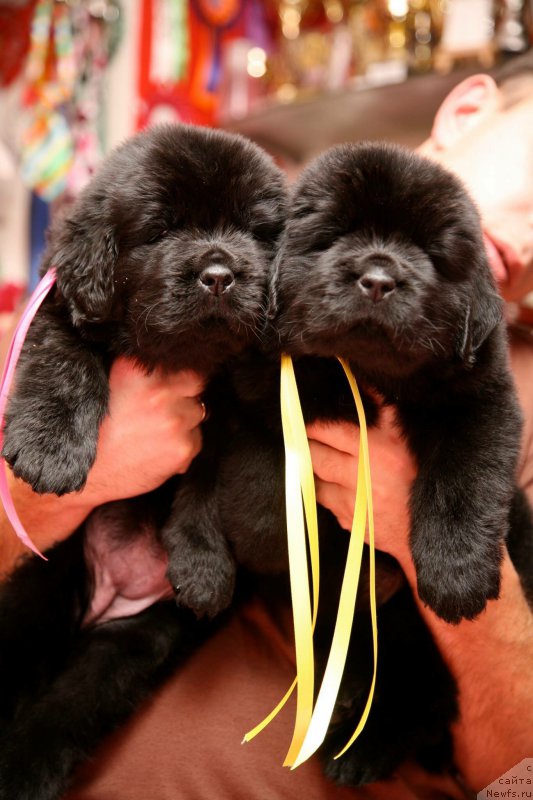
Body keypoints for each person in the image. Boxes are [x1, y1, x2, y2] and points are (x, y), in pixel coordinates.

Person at [1, 52, 533, 799]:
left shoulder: (496, 387)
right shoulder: (233, 260)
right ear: (469, 110)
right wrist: (57, 493)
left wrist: (426, 538)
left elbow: (523, 784)